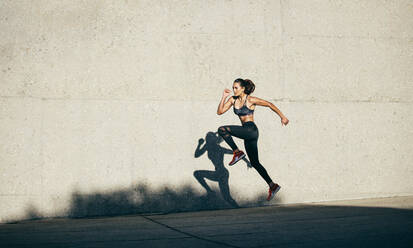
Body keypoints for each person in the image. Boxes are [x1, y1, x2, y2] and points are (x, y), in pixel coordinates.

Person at [217, 78, 289, 201]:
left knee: (222, 129)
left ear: (243, 88)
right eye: (233, 87)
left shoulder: (250, 99)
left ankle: (237, 152)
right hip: (246, 133)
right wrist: (223, 97)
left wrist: (282, 117)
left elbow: (269, 104)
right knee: (255, 163)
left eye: (236, 88)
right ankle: (272, 185)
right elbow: (220, 112)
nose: (234, 90)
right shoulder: (232, 100)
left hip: (251, 130)